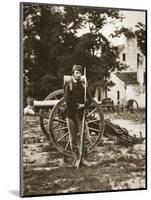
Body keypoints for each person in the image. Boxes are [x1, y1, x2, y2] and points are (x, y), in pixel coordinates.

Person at [64, 64, 92, 167]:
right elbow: (68, 101)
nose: (78, 75)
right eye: (76, 73)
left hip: (81, 115)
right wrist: (78, 106)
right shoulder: (68, 86)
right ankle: (76, 158)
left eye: (80, 73)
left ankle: (84, 158)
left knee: (86, 138)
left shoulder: (84, 86)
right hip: (71, 115)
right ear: (73, 74)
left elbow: (90, 99)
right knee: (73, 138)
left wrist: (84, 105)